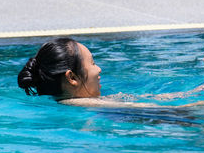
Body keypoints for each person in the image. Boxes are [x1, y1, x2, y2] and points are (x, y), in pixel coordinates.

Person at [17, 37, 156, 108]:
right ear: (72, 78)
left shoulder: (65, 102)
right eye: (93, 63)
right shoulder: (97, 107)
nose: (99, 69)